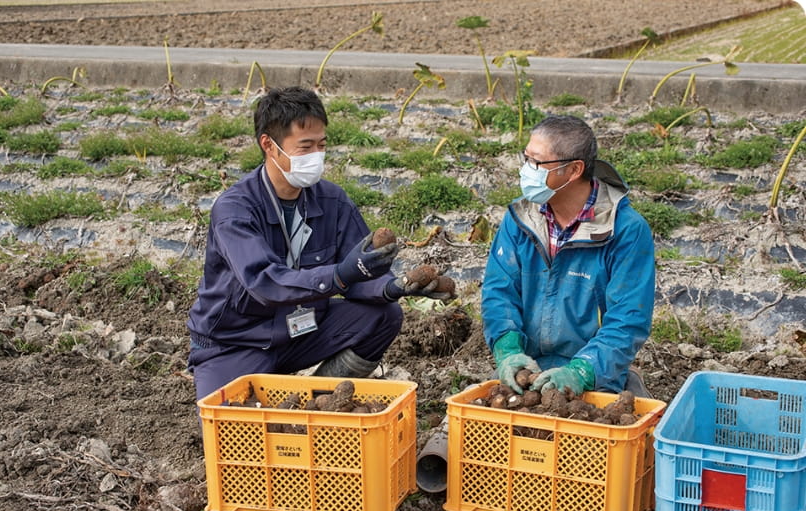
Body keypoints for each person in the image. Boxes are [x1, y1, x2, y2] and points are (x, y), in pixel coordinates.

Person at [187, 86, 447, 401]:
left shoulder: (332, 200)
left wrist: (394, 287)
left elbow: (360, 275)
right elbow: (264, 283)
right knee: (236, 438)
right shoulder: (236, 210)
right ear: (269, 145)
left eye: (321, 145)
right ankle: (275, 393)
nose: (316, 155)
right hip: (237, 342)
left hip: (300, 331)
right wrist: (338, 275)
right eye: (305, 146)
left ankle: (322, 401)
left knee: (384, 316)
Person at [481, 115, 655, 397]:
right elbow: (499, 292)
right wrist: (508, 351)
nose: (527, 171)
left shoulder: (626, 231)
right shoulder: (519, 218)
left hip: (596, 374)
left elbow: (628, 318)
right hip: (527, 371)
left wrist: (583, 371)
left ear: (573, 170)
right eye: (526, 159)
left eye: (537, 163)